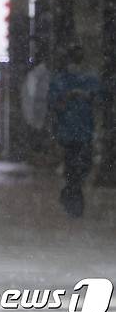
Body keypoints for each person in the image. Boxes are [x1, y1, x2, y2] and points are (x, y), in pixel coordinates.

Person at [48, 44, 101, 218]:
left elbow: (97, 100)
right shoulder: (61, 80)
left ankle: (71, 194)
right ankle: (74, 199)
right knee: (74, 165)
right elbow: (55, 104)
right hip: (70, 131)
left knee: (81, 165)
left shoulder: (89, 79)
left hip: (82, 130)